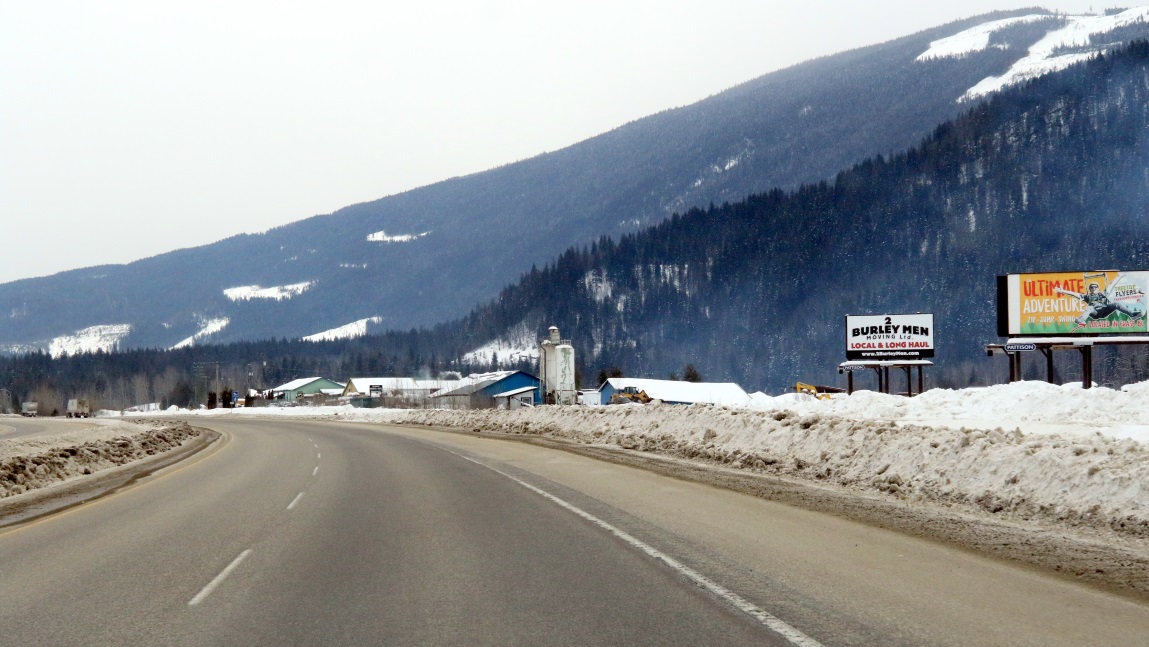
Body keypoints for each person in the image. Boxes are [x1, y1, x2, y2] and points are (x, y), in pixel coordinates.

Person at [1072, 282, 1143, 328]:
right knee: (1089, 307)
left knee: (1116, 304)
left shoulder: (1102, 294)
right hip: (1095, 312)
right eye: (1092, 287)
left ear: (1098, 288)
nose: (1094, 288)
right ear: (1090, 289)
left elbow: (1111, 285)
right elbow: (1075, 294)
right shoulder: (1087, 296)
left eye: (1095, 287)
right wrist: (1064, 291)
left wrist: (1119, 276)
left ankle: (1132, 314)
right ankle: (1081, 320)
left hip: (1104, 310)